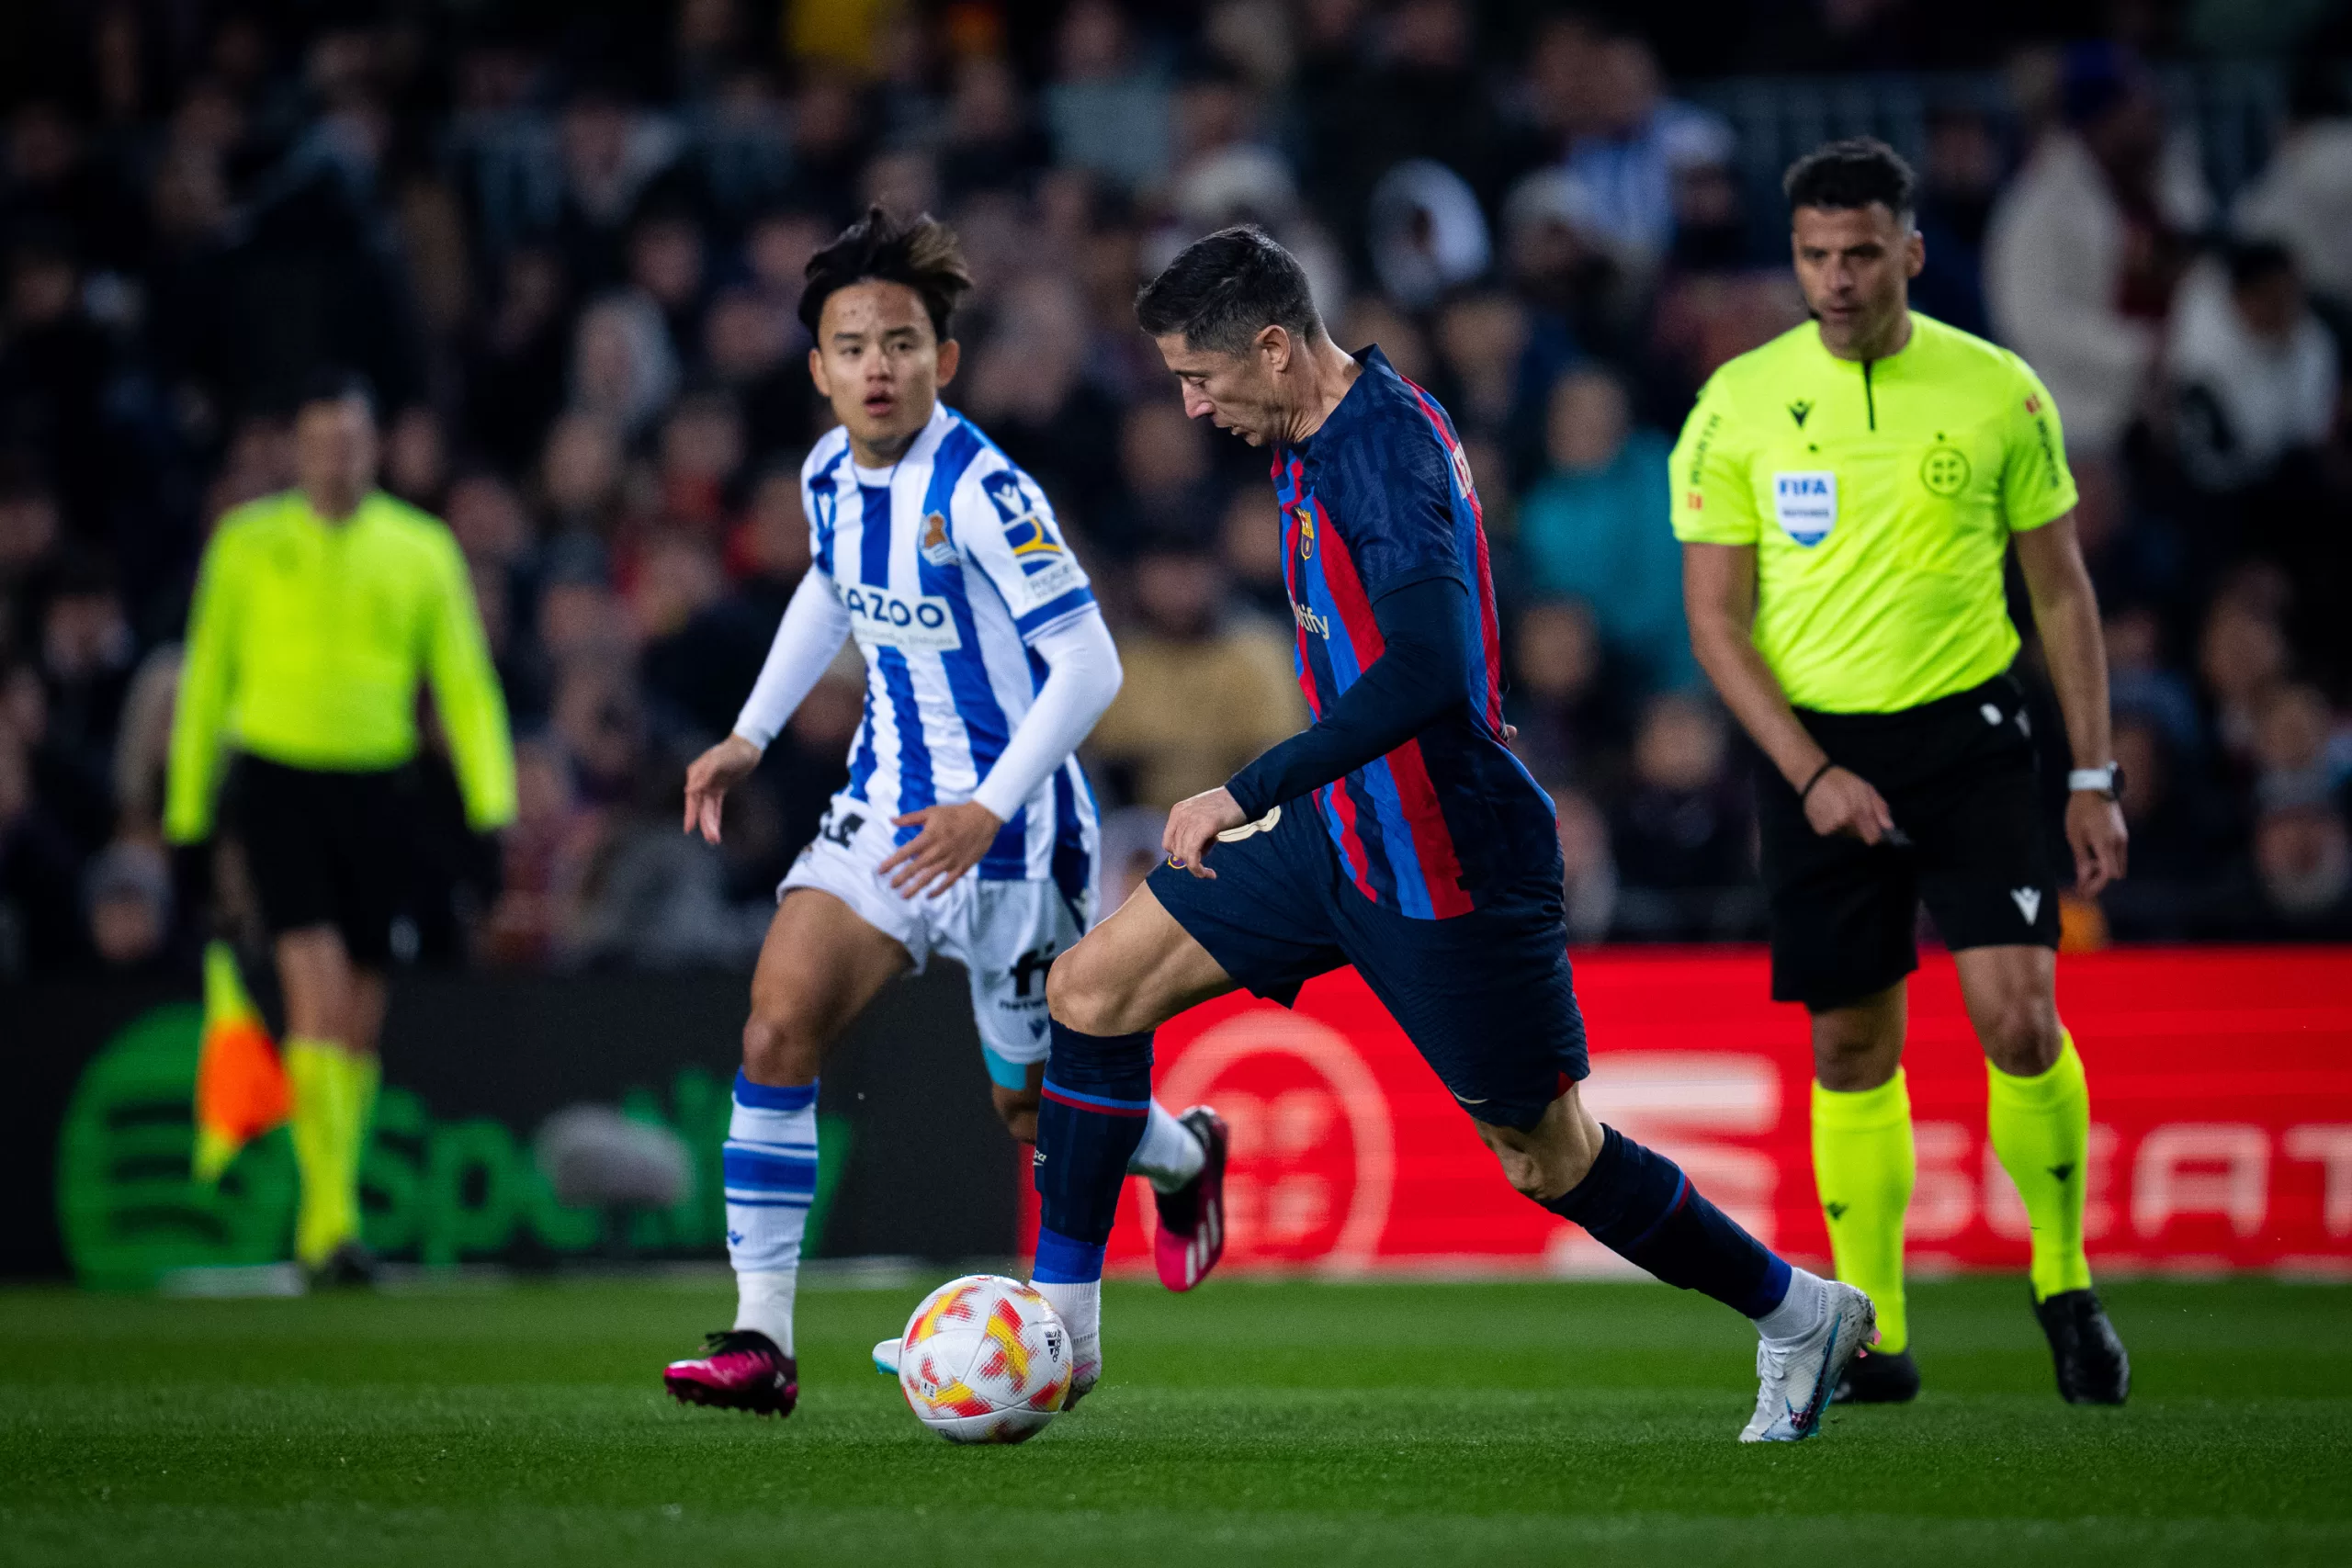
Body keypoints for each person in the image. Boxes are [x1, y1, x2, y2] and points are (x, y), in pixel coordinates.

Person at [1025, 225, 1874, 1443]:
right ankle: (1063, 1334)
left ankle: (1798, 1312)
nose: (1190, 403)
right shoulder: (1319, 419)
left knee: (1550, 1157)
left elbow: (1429, 669)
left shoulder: (1379, 457)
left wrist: (1244, 784)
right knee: (1090, 989)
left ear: (1270, 347)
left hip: (1449, 863)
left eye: (1200, 376)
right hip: (1342, 834)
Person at [658, 209, 1227, 1421]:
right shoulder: (824, 473)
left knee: (1027, 1106)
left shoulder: (982, 488)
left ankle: (1185, 1154)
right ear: (817, 368)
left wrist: (987, 803)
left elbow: (1091, 665)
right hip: (883, 813)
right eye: (852, 345)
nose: (878, 365)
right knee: (776, 1026)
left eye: (903, 342)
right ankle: (762, 1339)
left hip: (1017, 835)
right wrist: (751, 734)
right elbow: (828, 586)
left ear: (944, 361)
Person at [1673, 139, 2132, 1407]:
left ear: (1910, 252)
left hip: (1971, 735)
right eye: (1816, 254)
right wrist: (1813, 769)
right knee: (1850, 1042)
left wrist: (2092, 771)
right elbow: (1716, 622)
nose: (1835, 276)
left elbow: (2061, 588)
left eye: (1861, 251)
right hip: (1812, 745)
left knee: (2018, 1017)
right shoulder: (1738, 404)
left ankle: (2065, 1280)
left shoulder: (1999, 392)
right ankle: (1870, 1327)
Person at [164, 369, 517, 1283]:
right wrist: (189, 814)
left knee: (359, 1016)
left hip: (379, 789)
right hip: (278, 782)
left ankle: (334, 1207)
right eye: (320, 442)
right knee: (317, 991)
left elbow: (465, 686)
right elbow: (207, 679)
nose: (336, 459)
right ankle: (328, 1224)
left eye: (351, 442)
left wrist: (492, 810)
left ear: (376, 447)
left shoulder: (419, 548)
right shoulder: (245, 545)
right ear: (296, 449)